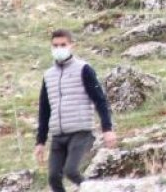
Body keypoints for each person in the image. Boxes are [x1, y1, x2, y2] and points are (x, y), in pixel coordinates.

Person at [35, 29, 117, 192]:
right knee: (53, 178)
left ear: (72, 46)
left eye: (63, 45)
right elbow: (44, 109)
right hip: (58, 135)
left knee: (71, 171)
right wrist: (40, 141)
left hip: (80, 132)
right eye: (55, 46)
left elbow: (100, 99)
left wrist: (107, 129)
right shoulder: (48, 75)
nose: (59, 49)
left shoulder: (84, 69)